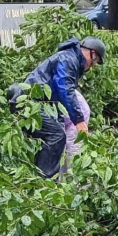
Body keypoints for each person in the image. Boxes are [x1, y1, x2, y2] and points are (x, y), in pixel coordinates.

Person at [8, 37, 105, 178]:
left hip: (40, 104)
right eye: (95, 61)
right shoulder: (68, 59)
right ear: (92, 53)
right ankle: (44, 182)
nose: (93, 65)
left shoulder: (71, 59)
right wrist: (79, 120)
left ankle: (44, 178)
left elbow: (57, 100)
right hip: (30, 104)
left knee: (58, 134)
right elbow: (65, 89)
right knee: (56, 136)